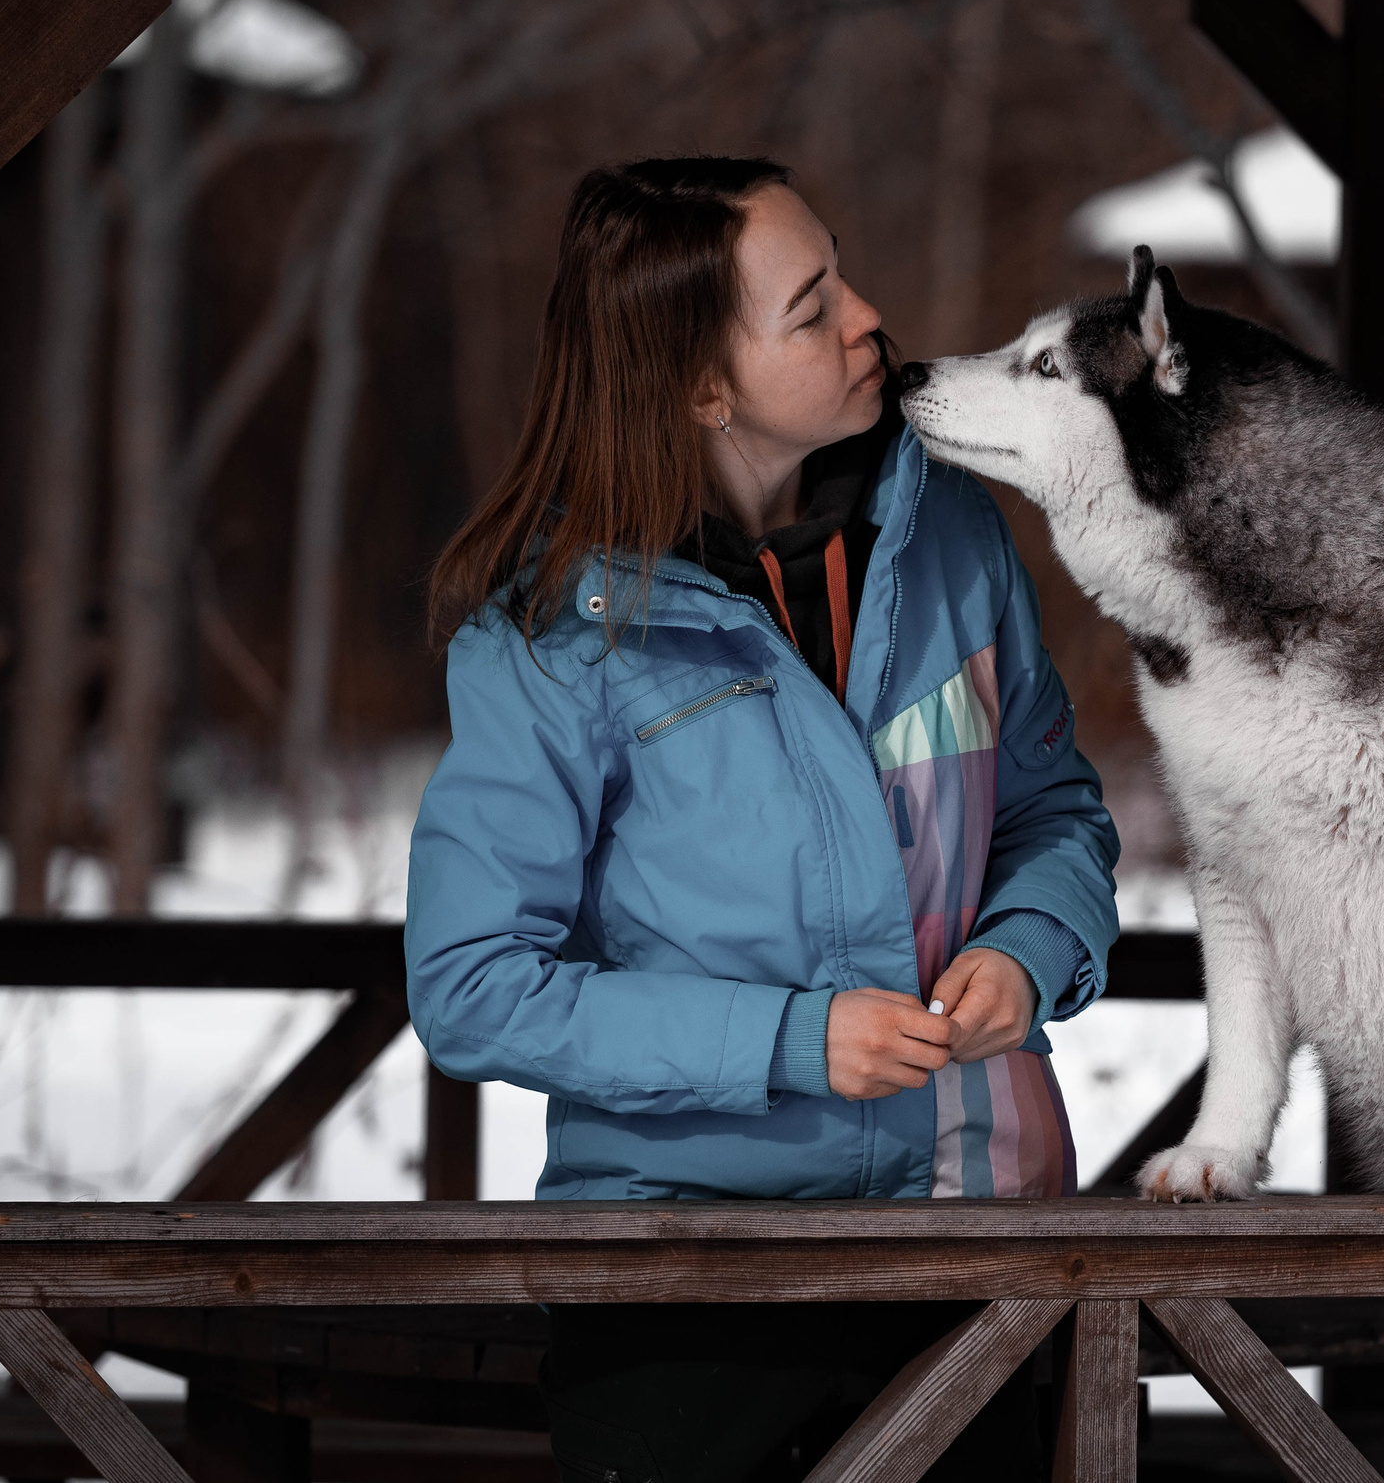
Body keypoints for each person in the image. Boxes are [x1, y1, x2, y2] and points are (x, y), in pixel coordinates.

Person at [406, 157, 1121, 1482]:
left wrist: (1031, 947)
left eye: (841, 272)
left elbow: (1052, 812)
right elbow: (473, 986)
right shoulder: (559, 633)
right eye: (811, 306)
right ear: (700, 387)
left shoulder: (956, 538)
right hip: (688, 1283)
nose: (868, 315)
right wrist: (792, 1041)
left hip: (977, 1247)